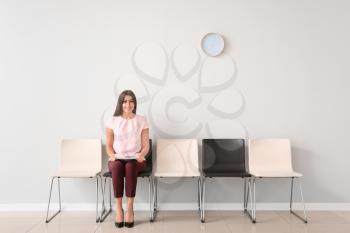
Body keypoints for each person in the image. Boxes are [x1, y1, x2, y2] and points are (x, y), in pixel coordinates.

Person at [105, 90, 150, 228]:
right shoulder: (112, 120)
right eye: (125, 101)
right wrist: (112, 155)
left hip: (136, 159)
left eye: (131, 101)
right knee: (118, 166)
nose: (128, 104)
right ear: (121, 103)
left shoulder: (141, 120)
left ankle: (130, 208)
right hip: (117, 158)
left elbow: (145, 145)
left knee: (130, 167)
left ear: (134, 103)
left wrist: (142, 154)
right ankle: (119, 209)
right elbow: (108, 145)